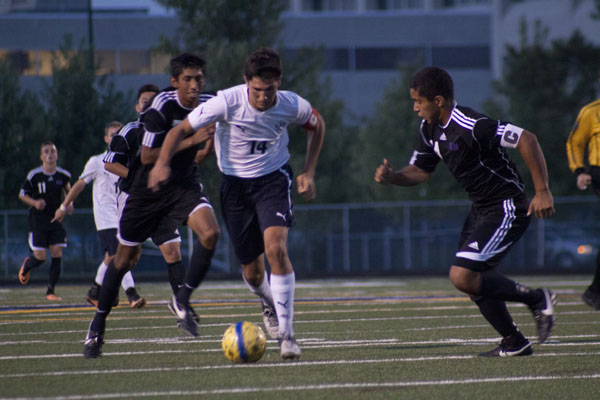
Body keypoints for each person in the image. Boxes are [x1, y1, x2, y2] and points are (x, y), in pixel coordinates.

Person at [148, 47, 326, 360]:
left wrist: (308, 171)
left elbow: (317, 125)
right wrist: (162, 163)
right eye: (257, 90)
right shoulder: (225, 102)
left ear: (279, 82)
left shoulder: (290, 104)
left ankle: (287, 335)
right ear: (246, 83)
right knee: (254, 274)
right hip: (235, 189)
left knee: (276, 249)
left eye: (270, 90)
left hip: (274, 180)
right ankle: (268, 301)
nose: (263, 97)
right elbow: (179, 130)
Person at [374, 66, 556, 357]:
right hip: (481, 209)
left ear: (438, 101)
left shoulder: (472, 124)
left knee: (462, 275)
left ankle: (537, 299)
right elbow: (421, 171)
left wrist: (543, 190)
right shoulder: (429, 129)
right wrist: (393, 176)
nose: (414, 108)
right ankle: (514, 342)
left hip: (506, 205)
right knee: (471, 282)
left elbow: (527, 139)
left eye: (418, 101)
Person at [83, 53, 219, 359]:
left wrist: (209, 143)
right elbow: (147, 158)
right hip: (146, 192)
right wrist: (192, 138)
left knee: (209, 233)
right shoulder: (157, 112)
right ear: (174, 82)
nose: (195, 85)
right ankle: (97, 325)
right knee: (122, 261)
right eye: (188, 79)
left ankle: (181, 300)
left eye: (199, 78)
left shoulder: (210, 104)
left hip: (182, 187)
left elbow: (198, 156)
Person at [52, 121, 145, 309]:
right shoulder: (97, 161)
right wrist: (64, 206)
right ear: (106, 139)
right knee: (121, 253)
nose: (116, 137)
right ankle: (131, 294)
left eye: (118, 133)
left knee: (113, 257)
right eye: (112, 134)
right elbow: (79, 184)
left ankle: (95, 291)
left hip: (122, 214)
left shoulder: (129, 162)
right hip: (105, 216)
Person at [18, 141, 72, 301]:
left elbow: (70, 192)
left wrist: (69, 205)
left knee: (57, 252)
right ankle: (27, 265)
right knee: (40, 257)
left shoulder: (63, 175)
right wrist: (35, 203)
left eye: (52, 151)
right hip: (38, 221)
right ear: (41, 156)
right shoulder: (34, 175)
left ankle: (50, 291)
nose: (50, 154)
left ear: (57, 155)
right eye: (46, 152)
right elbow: (22, 194)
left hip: (55, 220)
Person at [566, 97, 600, 310]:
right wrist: (579, 170)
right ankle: (595, 292)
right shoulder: (591, 111)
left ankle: (595, 291)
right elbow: (575, 142)